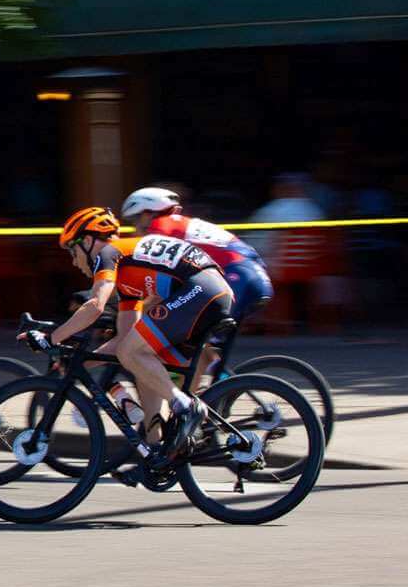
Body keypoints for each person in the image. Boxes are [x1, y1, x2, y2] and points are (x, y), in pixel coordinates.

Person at [44, 207, 232, 462]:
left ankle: (185, 406)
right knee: (141, 361)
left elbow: (95, 306)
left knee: (133, 353)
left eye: (72, 251)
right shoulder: (128, 276)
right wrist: (83, 360)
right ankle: (156, 452)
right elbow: (124, 338)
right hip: (209, 291)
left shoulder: (109, 254)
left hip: (202, 290)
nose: (74, 261)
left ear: (88, 242)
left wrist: (51, 339)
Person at [121, 186, 273, 322]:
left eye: (135, 220)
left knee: (169, 328)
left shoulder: (161, 224)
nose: (135, 228)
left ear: (147, 213)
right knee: (203, 344)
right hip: (254, 277)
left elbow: (155, 280)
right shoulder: (183, 223)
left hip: (235, 276)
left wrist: (131, 313)